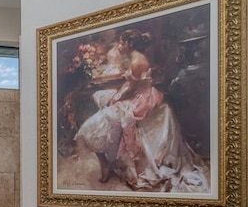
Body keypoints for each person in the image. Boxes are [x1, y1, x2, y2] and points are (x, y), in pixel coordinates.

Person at [74, 29, 208, 192]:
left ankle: (108, 161)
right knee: (102, 102)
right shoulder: (132, 58)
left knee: (104, 117)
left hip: (141, 99)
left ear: (130, 44)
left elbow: (131, 89)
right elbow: (128, 80)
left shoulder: (137, 61)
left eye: (122, 42)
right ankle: (107, 159)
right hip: (135, 93)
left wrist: (116, 98)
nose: (119, 45)